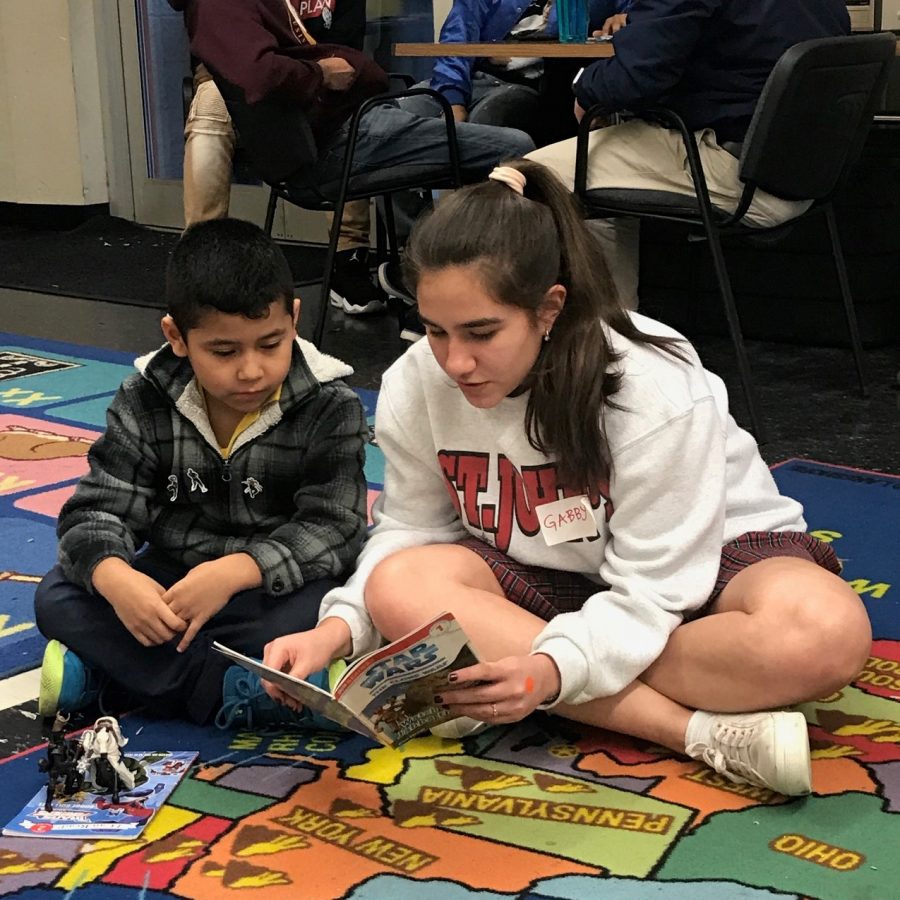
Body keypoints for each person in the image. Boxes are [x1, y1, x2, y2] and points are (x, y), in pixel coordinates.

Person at [249, 161, 871, 797]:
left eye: (482, 332)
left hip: (706, 565)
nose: (455, 361)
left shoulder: (651, 386)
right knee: (396, 583)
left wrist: (548, 669)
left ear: (549, 308)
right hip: (552, 581)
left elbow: (656, 589)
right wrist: (341, 629)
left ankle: (536, 682)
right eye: (435, 330)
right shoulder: (418, 380)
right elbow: (412, 527)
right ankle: (694, 731)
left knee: (825, 633)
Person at [34, 218, 369, 726]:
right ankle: (233, 685)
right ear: (177, 337)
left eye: (270, 343)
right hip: (175, 584)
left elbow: (335, 528)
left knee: (329, 605)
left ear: (294, 319)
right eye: (225, 351)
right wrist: (116, 578)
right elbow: (99, 507)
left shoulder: (330, 404)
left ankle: (115, 675)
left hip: (271, 588)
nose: (251, 370)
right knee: (57, 595)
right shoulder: (145, 397)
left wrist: (238, 571)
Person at [179, 0, 535, 317]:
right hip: (322, 123)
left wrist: (326, 71)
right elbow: (258, 73)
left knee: (436, 110)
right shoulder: (222, 10)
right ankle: (201, 259)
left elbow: (342, 50)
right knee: (516, 146)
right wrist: (319, 73)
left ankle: (390, 264)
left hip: (343, 106)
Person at [526, 0, 852, 309]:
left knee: (526, 177)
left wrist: (584, 85)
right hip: (805, 178)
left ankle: (606, 344)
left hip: (737, 173)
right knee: (596, 174)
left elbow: (632, 80)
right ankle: (615, 337)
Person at [172, 0, 387, 315]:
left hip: (318, 79)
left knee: (351, 111)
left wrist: (306, 73)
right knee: (210, 106)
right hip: (239, 76)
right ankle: (201, 257)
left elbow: (343, 51)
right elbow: (233, 56)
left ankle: (348, 257)